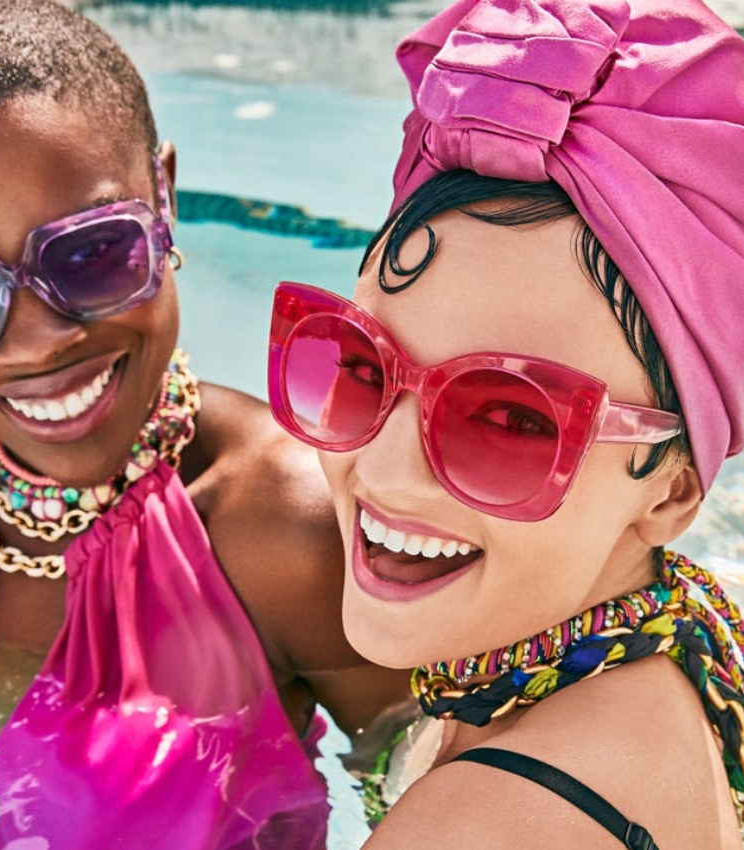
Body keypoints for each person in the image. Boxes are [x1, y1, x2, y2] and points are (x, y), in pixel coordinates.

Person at [0, 1, 410, 847]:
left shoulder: (284, 531)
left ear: (163, 197)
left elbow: (445, 794)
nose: (37, 340)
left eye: (90, 252)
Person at [266, 0, 744, 845]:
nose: (385, 470)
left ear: (670, 494)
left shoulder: (482, 826)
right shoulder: (683, 645)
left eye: (512, 421)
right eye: (360, 364)